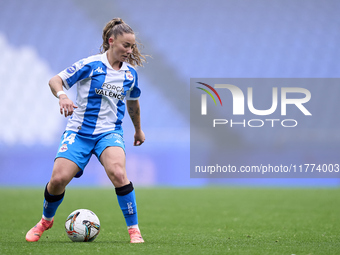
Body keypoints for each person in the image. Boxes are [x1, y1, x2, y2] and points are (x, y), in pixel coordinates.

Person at [25, 18, 146, 244]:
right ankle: (45, 220)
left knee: (119, 174)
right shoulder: (91, 65)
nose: (129, 51)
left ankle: (134, 230)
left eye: (132, 46)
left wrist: (138, 130)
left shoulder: (130, 75)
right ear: (111, 41)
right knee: (58, 179)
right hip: (79, 132)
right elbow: (55, 80)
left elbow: (133, 103)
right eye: (125, 46)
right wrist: (63, 96)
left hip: (109, 133)